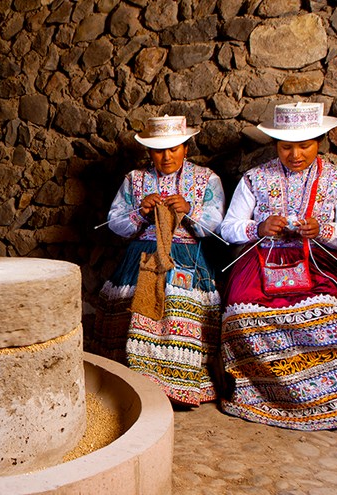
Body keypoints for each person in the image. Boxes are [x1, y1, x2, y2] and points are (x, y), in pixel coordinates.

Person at [219, 102, 337, 430]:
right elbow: (228, 227)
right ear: (276, 145)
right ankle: (264, 396)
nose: (295, 154)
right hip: (260, 264)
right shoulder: (255, 179)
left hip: (318, 265)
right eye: (286, 147)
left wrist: (324, 231)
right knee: (240, 315)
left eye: (305, 146)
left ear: (319, 142)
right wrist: (259, 227)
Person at [95, 115, 225, 406]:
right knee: (136, 307)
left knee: (178, 305)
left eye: (173, 149)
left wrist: (189, 210)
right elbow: (115, 223)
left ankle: (180, 385)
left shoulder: (207, 179)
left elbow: (214, 225)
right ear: (149, 152)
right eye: (158, 151)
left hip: (188, 258)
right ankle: (137, 383)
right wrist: (140, 212)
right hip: (142, 256)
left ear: (186, 149)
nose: (166, 157)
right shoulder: (134, 179)